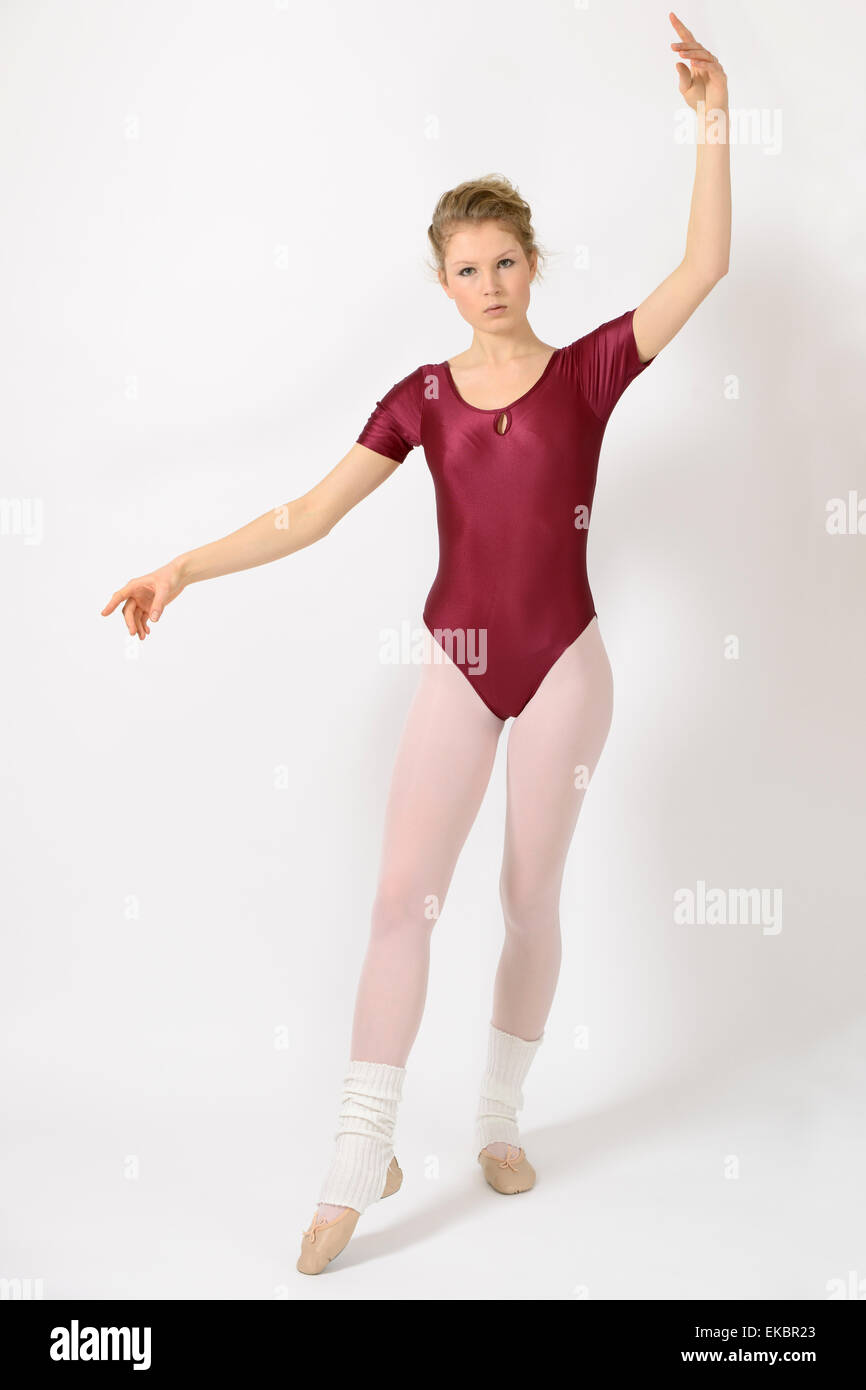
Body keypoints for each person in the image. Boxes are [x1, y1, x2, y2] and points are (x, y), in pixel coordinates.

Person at [101, 11, 730, 1280]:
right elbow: (308, 511)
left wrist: (713, 117)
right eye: (465, 269)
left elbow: (701, 266)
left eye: (505, 262)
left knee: (523, 898)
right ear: (439, 281)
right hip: (459, 657)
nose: (488, 285)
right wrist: (184, 565)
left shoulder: (590, 371)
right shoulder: (421, 397)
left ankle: (497, 1119)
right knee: (401, 899)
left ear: (532, 265)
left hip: (561, 662)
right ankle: (359, 1151)